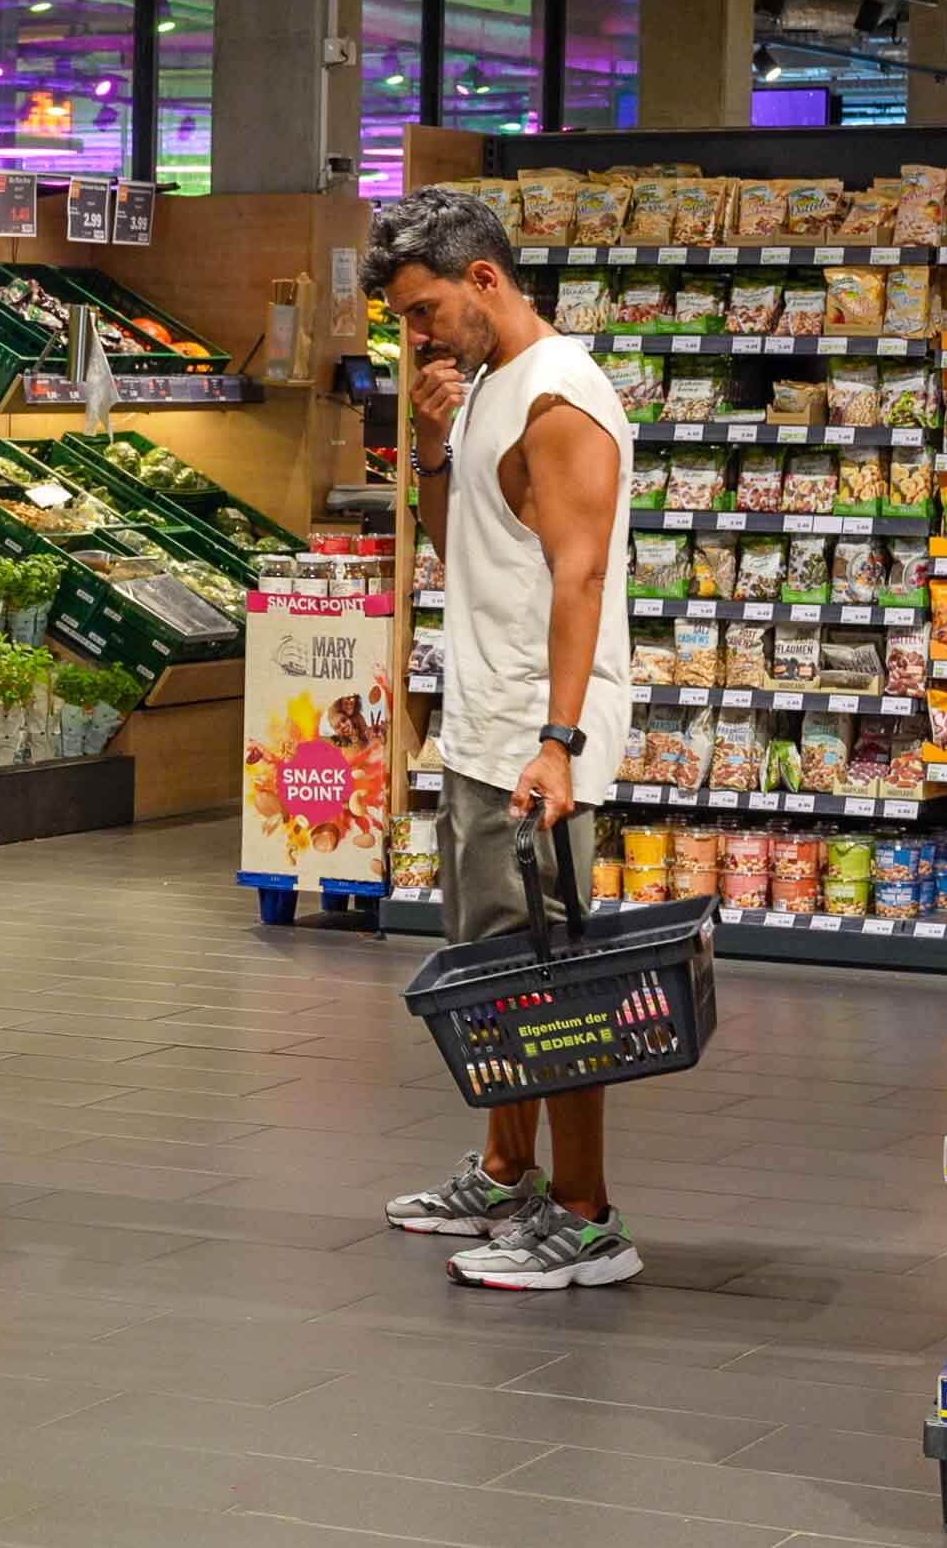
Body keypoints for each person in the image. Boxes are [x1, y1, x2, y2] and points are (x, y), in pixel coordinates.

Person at [360, 187, 639, 1293]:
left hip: (539, 741)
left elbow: (582, 573)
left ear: (485, 279)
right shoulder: (480, 392)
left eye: (424, 310)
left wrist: (561, 742)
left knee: (558, 980)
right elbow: (453, 542)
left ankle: (588, 1217)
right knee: (494, 979)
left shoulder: (560, 395)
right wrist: (430, 444)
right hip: (479, 730)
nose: (414, 334)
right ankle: (507, 1171)